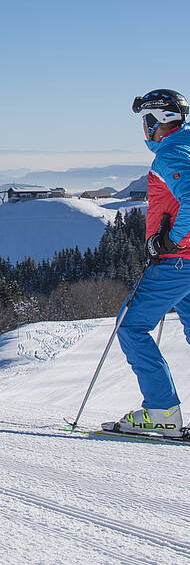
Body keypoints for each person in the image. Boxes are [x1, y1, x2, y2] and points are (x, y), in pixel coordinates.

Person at [103, 88, 190, 437]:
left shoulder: (170, 155)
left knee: (131, 326)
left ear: (159, 120)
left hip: (177, 262)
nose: (145, 129)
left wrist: (169, 240)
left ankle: (161, 410)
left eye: (146, 121)